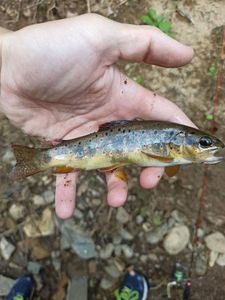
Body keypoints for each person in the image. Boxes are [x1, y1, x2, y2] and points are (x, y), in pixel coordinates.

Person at [0, 13, 195, 300]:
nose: (208, 149)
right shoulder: (172, 150)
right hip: (92, 146)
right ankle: (41, 159)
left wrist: (6, 57)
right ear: (180, 143)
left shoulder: (176, 153)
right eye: (203, 144)